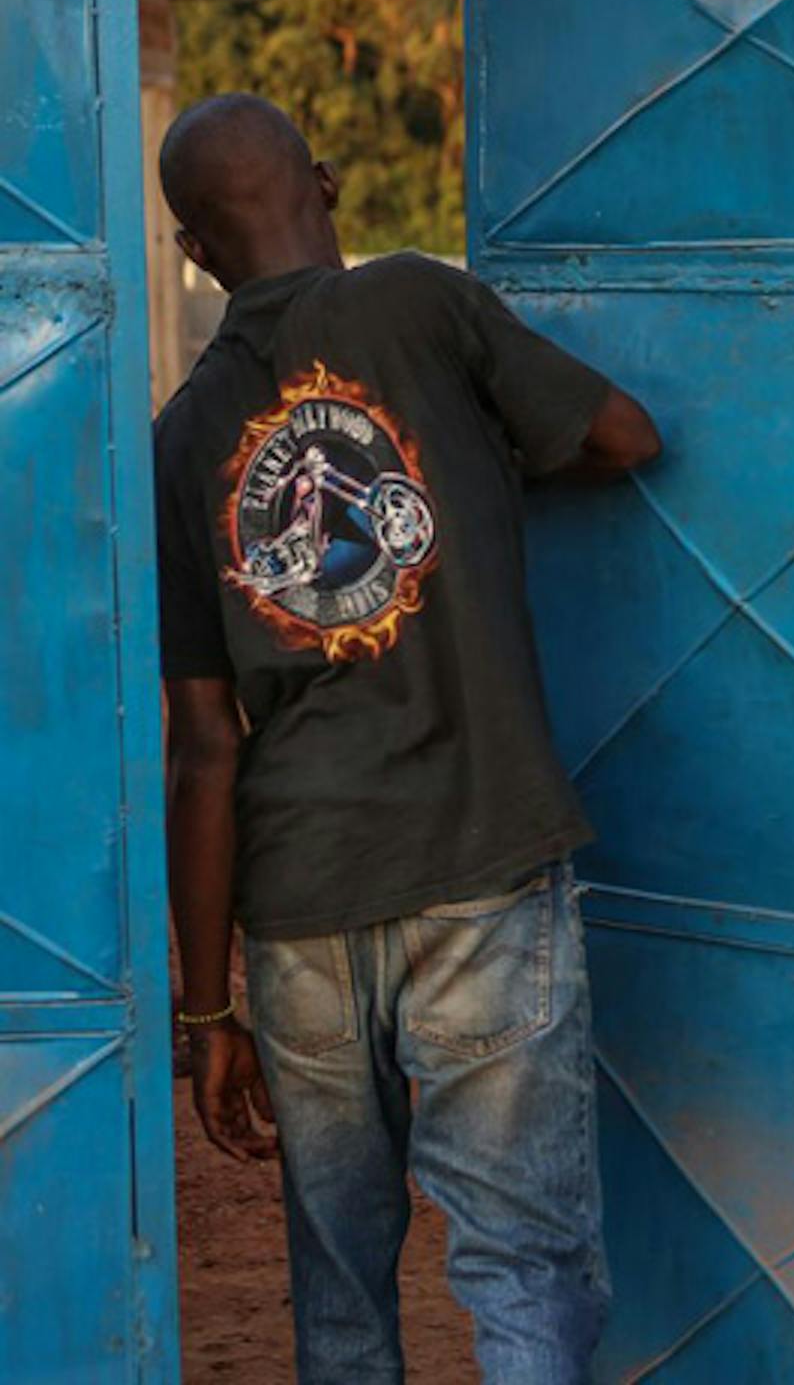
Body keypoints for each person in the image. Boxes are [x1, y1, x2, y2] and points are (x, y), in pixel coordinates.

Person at [154, 93, 662, 1383]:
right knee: (523, 1266)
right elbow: (624, 437)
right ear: (324, 184)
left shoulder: (178, 443)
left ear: (194, 251)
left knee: (338, 1286)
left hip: (298, 907)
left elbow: (203, 746)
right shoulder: (425, 307)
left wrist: (208, 1007)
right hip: (478, 868)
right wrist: (486, 461)